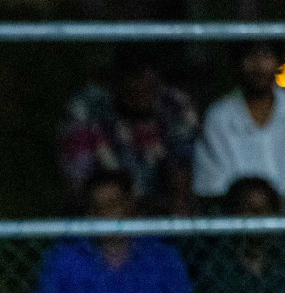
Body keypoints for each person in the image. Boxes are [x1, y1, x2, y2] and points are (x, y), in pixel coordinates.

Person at [29, 169, 195, 293]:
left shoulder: (162, 256)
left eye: (113, 204)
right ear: (88, 213)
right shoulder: (64, 258)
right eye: (97, 207)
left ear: (130, 205)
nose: (106, 214)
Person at [58, 47, 199, 215]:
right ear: (116, 79)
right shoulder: (86, 109)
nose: (141, 87)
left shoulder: (175, 105)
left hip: (160, 214)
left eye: (149, 78)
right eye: (133, 77)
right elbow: (78, 187)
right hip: (103, 215)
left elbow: (184, 174)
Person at [194, 41, 285, 212]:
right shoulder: (218, 117)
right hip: (239, 228)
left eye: (266, 55)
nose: (258, 65)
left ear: (279, 60)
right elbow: (211, 191)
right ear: (236, 63)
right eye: (250, 56)